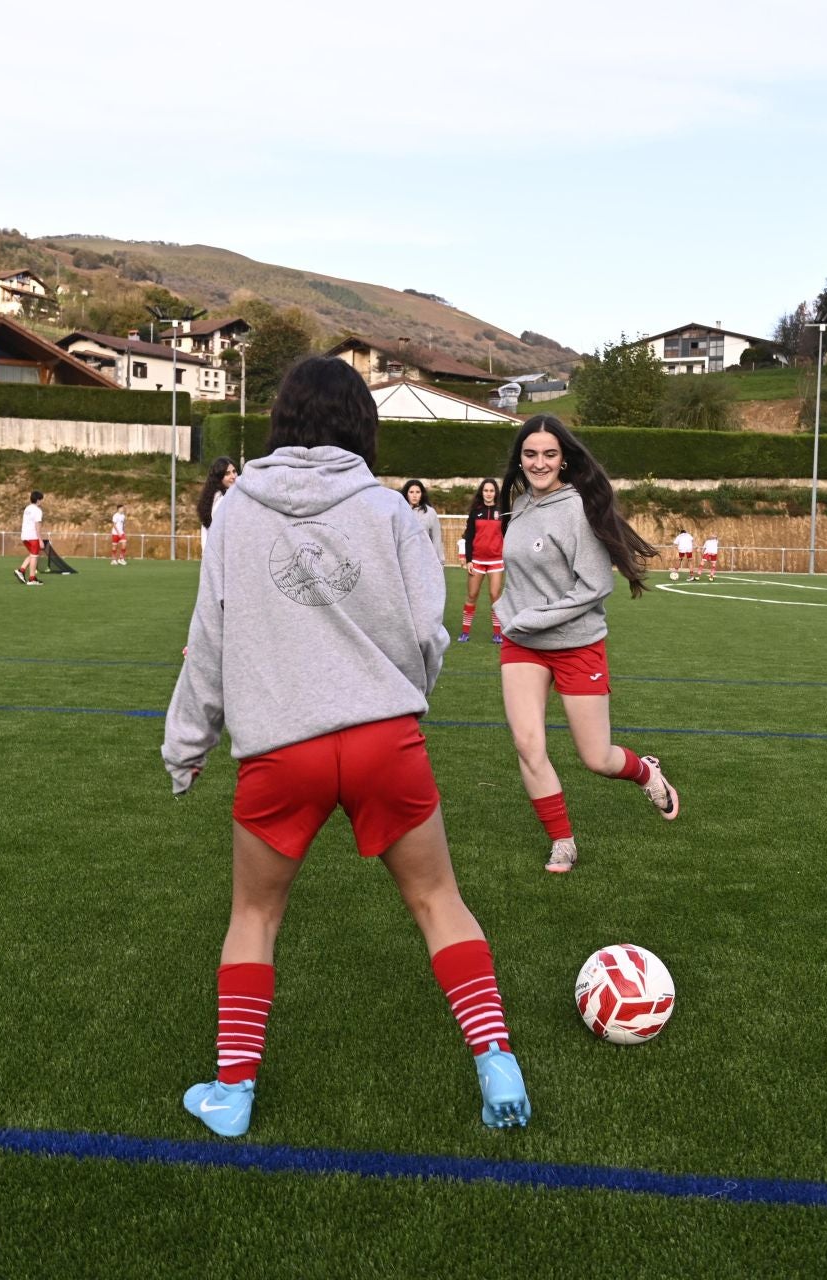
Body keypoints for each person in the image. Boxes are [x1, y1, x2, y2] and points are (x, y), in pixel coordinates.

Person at [163, 356, 529, 1138]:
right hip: (381, 740)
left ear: (282, 420)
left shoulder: (235, 510)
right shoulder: (393, 511)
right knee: (439, 902)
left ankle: (232, 1093)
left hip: (279, 749)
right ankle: (495, 1056)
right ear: (361, 422)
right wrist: (405, 690)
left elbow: (210, 637)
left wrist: (187, 742)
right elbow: (426, 629)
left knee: (254, 915)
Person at [494, 415, 678, 874]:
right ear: (519, 458)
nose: (539, 463)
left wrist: (532, 617)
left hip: (577, 645)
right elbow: (518, 575)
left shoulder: (577, 509)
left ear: (564, 459)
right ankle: (562, 842)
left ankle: (645, 772)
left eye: (549, 454)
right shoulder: (516, 507)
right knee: (528, 745)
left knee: (597, 757)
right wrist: (507, 613)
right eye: (531, 454)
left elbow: (595, 586)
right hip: (523, 645)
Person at [457, 478, 507, 643]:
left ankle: (497, 634)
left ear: (495, 493)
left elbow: (508, 535)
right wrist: (469, 560)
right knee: (472, 595)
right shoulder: (475, 511)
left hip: (496, 561)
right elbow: (469, 536)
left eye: (491, 491)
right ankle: (465, 632)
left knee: (495, 595)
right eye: (486, 490)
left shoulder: (502, 511)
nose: (488, 493)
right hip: (477, 561)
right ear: (482, 492)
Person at [403, 479, 445, 566]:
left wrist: (440, 561)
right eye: (411, 492)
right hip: (404, 559)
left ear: (422, 494)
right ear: (406, 494)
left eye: (417, 492)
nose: (414, 495)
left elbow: (436, 538)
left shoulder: (430, 513)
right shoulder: (399, 511)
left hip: (424, 559)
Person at [197, 456, 239, 533]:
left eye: (234, 471)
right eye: (227, 473)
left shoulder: (211, 498)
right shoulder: (222, 500)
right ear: (219, 477)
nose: (233, 476)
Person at [16, 491, 44, 585]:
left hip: (24, 536)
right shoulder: (37, 510)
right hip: (33, 536)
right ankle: (32, 579)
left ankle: (21, 570)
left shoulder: (27, 508)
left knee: (32, 555)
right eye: (41, 499)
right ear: (38, 500)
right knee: (35, 556)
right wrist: (40, 540)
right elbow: (37, 525)